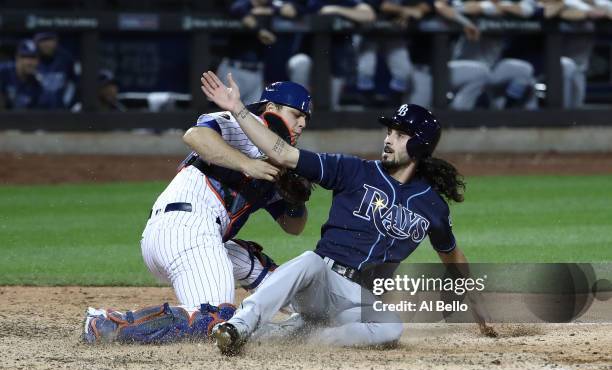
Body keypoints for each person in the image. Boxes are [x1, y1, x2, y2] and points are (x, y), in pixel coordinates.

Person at [200, 71, 497, 355]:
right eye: (389, 131)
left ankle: (302, 340)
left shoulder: (430, 204)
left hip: (359, 301)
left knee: (391, 327)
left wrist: (474, 299)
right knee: (309, 262)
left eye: (400, 134)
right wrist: (238, 108)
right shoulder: (352, 170)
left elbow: (451, 254)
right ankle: (238, 327)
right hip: (321, 282)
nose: (388, 139)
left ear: (420, 144)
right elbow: (283, 154)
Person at [82, 81, 312, 344]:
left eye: (306, 118)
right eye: (297, 114)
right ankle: (107, 325)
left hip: (196, 236)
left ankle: (311, 311)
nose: (302, 123)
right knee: (214, 320)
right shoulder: (246, 125)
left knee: (247, 261)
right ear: (271, 108)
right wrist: (247, 164)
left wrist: (294, 200)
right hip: (184, 228)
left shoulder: (279, 163)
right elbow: (195, 136)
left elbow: (294, 227)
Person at [33, 32, 79, 110]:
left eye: (49, 40)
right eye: (43, 40)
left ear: (56, 41)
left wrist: (69, 105)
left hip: (62, 111)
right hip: (35, 112)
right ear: (36, 42)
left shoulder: (67, 59)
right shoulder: (31, 60)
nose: (46, 44)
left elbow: (75, 84)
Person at [0, 39, 43, 110]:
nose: (30, 62)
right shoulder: (3, 72)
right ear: (17, 58)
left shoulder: (37, 82)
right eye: (26, 57)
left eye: (33, 58)